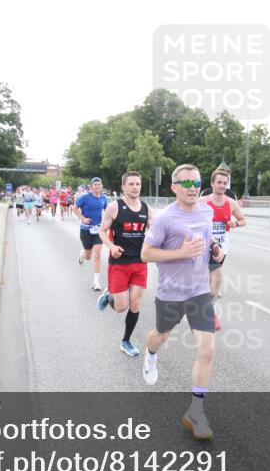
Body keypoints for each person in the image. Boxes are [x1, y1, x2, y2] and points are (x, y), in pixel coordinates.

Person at [140, 164, 224, 441]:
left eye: (196, 182)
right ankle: (151, 354)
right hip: (170, 293)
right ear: (173, 187)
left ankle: (196, 411)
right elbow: (145, 254)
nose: (192, 187)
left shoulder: (207, 211)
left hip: (199, 292)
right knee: (160, 336)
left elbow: (207, 242)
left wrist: (215, 253)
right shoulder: (165, 218)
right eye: (185, 183)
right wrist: (180, 252)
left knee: (207, 350)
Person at [97, 172, 153, 357]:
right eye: (131, 184)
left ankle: (126, 341)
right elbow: (102, 231)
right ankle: (109, 297)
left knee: (135, 303)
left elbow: (156, 232)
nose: (135, 187)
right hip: (119, 263)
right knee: (121, 307)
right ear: (123, 187)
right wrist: (111, 246)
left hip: (139, 262)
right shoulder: (114, 207)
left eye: (138, 183)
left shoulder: (146, 209)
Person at [200, 169, 247, 331]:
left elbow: (243, 220)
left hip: (222, 245)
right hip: (204, 245)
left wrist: (236, 223)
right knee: (215, 276)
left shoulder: (231, 203)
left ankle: (205, 306)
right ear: (212, 183)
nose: (222, 185)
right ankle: (211, 312)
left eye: (225, 183)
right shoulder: (203, 201)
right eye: (219, 182)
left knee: (210, 278)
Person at [73, 178, 108, 291]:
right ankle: (82, 254)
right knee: (88, 256)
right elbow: (74, 208)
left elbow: (107, 211)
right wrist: (82, 218)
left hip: (98, 230)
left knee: (97, 254)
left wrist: (107, 222)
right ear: (91, 187)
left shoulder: (103, 198)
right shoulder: (85, 198)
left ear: (101, 186)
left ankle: (96, 282)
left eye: (99, 184)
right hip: (86, 230)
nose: (97, 186)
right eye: (95, 185)